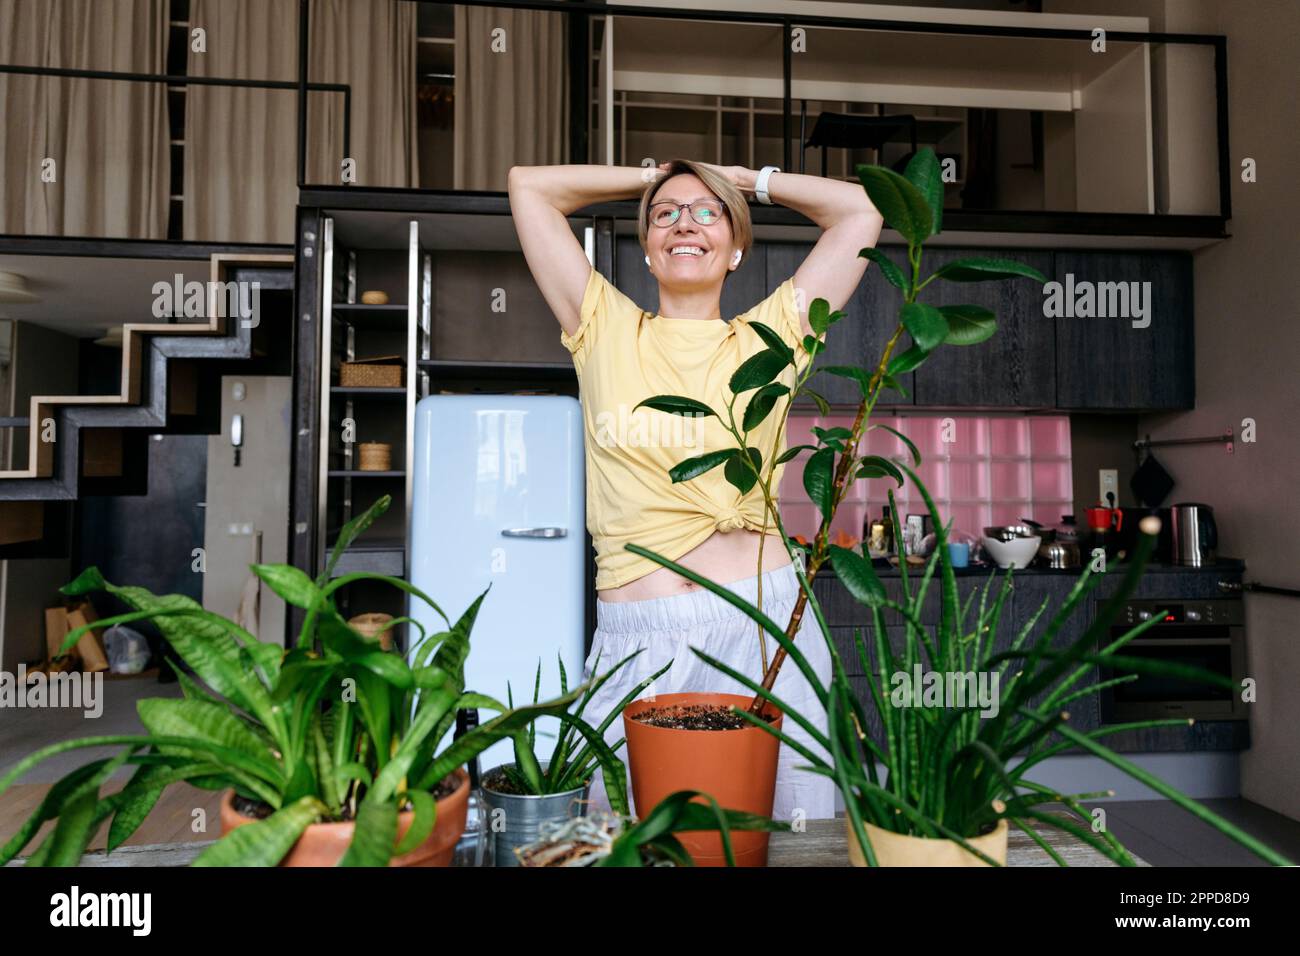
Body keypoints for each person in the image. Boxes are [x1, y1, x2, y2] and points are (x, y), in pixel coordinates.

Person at [507, 159, 883, 820]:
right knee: (625, 830)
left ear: (736, 250)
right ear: (647, 248)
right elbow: (528, 187)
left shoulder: (774, 334)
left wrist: (747, 180)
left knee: (787, 835)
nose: (685, 223)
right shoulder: (602, 325)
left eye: (708, 213)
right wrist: (653, 177)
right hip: (641, 638)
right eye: (666, 215)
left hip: (767, 625)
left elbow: (861, 211)